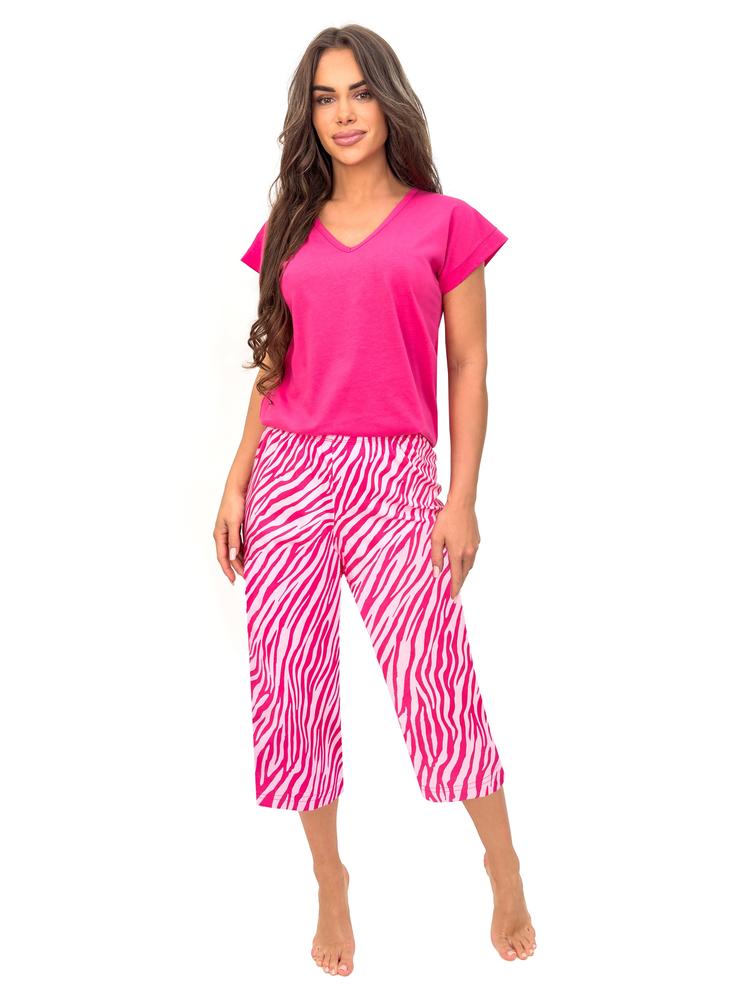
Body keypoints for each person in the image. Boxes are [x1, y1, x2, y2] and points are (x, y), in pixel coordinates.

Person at [214, 23, 536, 977]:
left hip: (395, 475)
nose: (343, 113)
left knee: (436, 674)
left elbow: (469, 366)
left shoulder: (445, 224)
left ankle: (503, 861)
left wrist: (461, 499)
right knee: (291, 684)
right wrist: (237, 479)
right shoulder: (290, 230)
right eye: (325, 97)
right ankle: (330, 879)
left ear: (388, 100)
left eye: (358, 92)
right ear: (308, 115)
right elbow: (275, 365)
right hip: (290, 473)